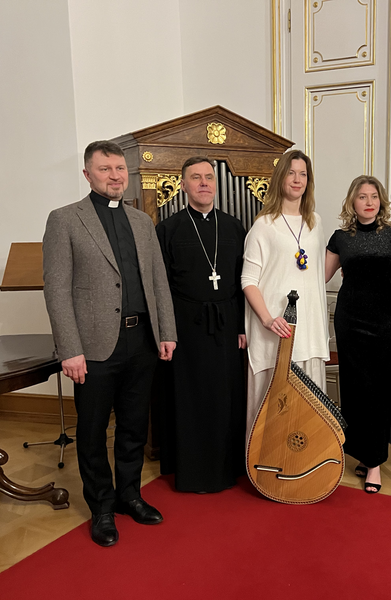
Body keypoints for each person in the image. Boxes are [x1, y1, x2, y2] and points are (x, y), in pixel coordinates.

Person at [42, 140, 177, 547]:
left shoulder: (141, 222)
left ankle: (130, 495)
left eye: (120, 168)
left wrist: (166, 331)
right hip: (93, 347)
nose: (116, 175)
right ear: (87, 174)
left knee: (135, 426)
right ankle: (102, 507)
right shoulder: (65, 220)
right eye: (105, 169)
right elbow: (57, 289)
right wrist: (69, 348)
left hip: (141, 342)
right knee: (93, 431)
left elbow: (157, 282)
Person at [156, 156, 247, 493]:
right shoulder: (168, 229)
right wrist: (167, 331)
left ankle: (229, 466)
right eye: (196, 178)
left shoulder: (235, 226)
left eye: (209, 177)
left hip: (226, 325)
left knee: (225, 395)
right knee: (191, 397)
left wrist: (242, 326)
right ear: (183, 185)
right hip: (186, 325)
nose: (204, 183)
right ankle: (193, 469)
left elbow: (243, 281)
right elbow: (160, 285)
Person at [325, 176, 391, 494]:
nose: (369, 201)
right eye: (362, 196)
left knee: (378, 390)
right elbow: (319, 274)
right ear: (352, 202)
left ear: (381, 201)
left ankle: (374, 463)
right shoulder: (340, 238)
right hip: (349, 320)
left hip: (385, 321)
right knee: (355, 388)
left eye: (374, 196)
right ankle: (362, 452)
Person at [242, 149, 329, 434]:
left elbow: (316, 277)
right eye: (291, 173)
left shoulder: (315, 223)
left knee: (307, 410)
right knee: (275, 406)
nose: (297, 179)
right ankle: (265, 465)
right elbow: (248, 281)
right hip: (277, 330)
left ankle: (306, 468)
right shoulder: (263, 226)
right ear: (280, 178)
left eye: (303, 174)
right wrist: (268, 319)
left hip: (309, 330)